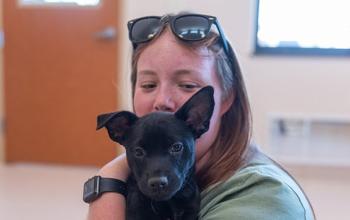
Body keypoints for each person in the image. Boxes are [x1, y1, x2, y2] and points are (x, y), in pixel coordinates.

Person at [86, 12, 315, 219]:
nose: (162, 101)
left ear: (224, 99)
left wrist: (106, 186)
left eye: (187, 84)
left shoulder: (262, 200)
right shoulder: (137, 180)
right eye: (148, 84)